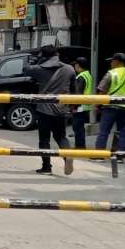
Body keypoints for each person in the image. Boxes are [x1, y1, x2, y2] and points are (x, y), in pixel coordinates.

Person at [25, 45, 75, 175]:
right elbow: (74, 89)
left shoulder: (39, 69)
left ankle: (46, 167)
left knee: (44, 139)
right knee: (61, 137)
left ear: (43, 56)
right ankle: (67, 156)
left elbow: (26, 69)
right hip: (61, 108)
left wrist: (36, 60)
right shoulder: (69, 69)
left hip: (44, 109)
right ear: (57, 54)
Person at [94, 52, 125, 157]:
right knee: (122, 133)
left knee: (104, 132)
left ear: (117, 61)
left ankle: (99, 155)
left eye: (112, 61)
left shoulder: (111, 73)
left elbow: (102, 91)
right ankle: (119, 156)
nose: (111, 63)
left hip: (110, 107)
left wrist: (96, 105)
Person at [71, 57, 93, 150]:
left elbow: (78, 93)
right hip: (86, 105)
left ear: (78, 65)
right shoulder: (88, 74)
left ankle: (80, 146)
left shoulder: (80, 77)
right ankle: (80, 145)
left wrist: (73, 106)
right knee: (80, 127)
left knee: (77, 127)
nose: (74, 67)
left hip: (80, 106)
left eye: (75, 65)